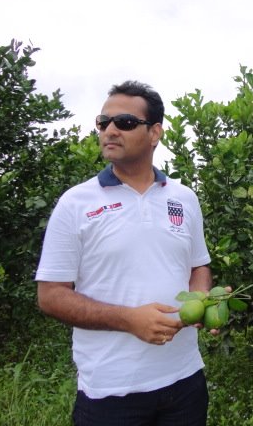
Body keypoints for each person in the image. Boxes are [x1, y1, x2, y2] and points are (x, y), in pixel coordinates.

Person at [35, 80, 213, 426]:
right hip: (111, 392)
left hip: (185, 380)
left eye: (125, 123)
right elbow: (50, 296)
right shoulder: (76, 203)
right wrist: (129, 319)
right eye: (104, 123)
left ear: (155, 132)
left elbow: (198, 266)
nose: (111, 130)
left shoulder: (184, 198)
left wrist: (203, 298)